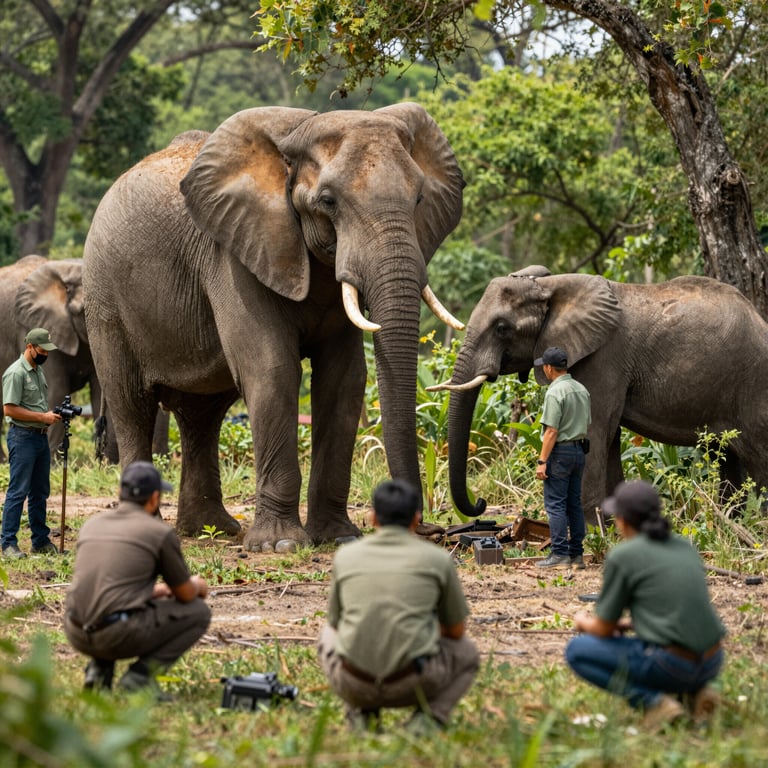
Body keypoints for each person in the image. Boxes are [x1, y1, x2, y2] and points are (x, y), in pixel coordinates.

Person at [317, 479, 479, 732]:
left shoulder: (345, 556)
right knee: (468, 653)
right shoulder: (438, 559)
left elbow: (336, 623)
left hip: (354, 681)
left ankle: (360, 713)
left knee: (327, 633)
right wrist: (425, 629)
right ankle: (429, 720)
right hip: (412, 681)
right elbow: (457, 632)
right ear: (416, 520)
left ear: (372, 518)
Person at [565, 480, 726, 730]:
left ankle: (654, 703)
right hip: (713, 661)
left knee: (577, 651)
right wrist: (632, 623)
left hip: (673, 665)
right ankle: (696, 693)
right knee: (660, 652)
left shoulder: (623, 556)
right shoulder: (684, 547)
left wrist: (582, 621)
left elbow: (603, 630)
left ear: (622, 520)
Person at [63, 461, 211, 698]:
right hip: (116, 634)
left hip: (76, 629)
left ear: (119, 493)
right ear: (154, 498)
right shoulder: (158, 532)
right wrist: (198, 585)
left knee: (106, 609)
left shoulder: (92, 524)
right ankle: (139, 679)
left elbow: (106, 587)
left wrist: (156, 591)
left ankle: (99, 671)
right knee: (198, 612)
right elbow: (185, 594)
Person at [2, 328, 62, 558]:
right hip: (22, 437)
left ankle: (40, 540)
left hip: (39, 437)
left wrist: (49, 416)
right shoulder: (16, 373)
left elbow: (34, 405)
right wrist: (41, 417)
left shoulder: (38, 371)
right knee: (18, 491)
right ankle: (8, 543)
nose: (45, 354)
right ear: (29, 347)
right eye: (42, 350)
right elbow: (9, 408)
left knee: (40, 491)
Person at [533, 346, 591, 569]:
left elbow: (551, 431)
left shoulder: (555, 392)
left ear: (549, 368)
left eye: (544, 367)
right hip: (579, 451)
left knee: (555, 504)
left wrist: (542, 461)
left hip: (560, 453)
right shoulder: (581, 389)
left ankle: (559, 555)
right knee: (574, 503)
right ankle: (577, 555)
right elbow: (586, 423)